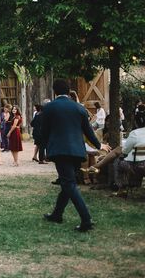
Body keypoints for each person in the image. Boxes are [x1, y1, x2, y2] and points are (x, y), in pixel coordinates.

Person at [42, 79, 109, 232]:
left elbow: (44, 132)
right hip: (77, 151)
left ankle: (86, 220)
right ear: (68, 90)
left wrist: (46, 150)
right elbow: (88, 131)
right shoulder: (78, 108)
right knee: (68, 182)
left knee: (69, 184)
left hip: (60, 150)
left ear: (54, 91)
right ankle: (57, 214)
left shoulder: (50, 107)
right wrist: (99, 145)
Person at [85, 106, 145, 196]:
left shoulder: (135, 133)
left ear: (137, 122)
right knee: (119, 152)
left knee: (118, 160)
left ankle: (122, 189)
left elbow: (124, 151)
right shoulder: (100, 132)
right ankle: (97, 166)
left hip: (137, 166)